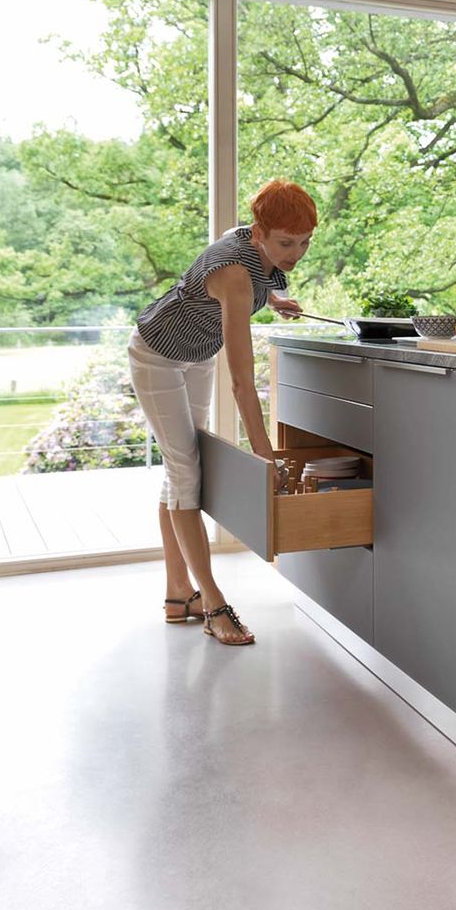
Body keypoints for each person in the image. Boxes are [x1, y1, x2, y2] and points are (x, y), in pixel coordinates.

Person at [129, 179, 314, 645]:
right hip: (156, 355)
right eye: (286, 243)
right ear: (259, 232)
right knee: (185, 472)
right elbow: (242, 384)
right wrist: (265, 455)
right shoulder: (233, 274)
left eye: (304, 242)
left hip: (196, 355)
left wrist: (275, 299)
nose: (295, 254)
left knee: (181, 473)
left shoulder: (251, 245)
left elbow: (257, 278)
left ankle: (178, 596)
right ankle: (214, 605)